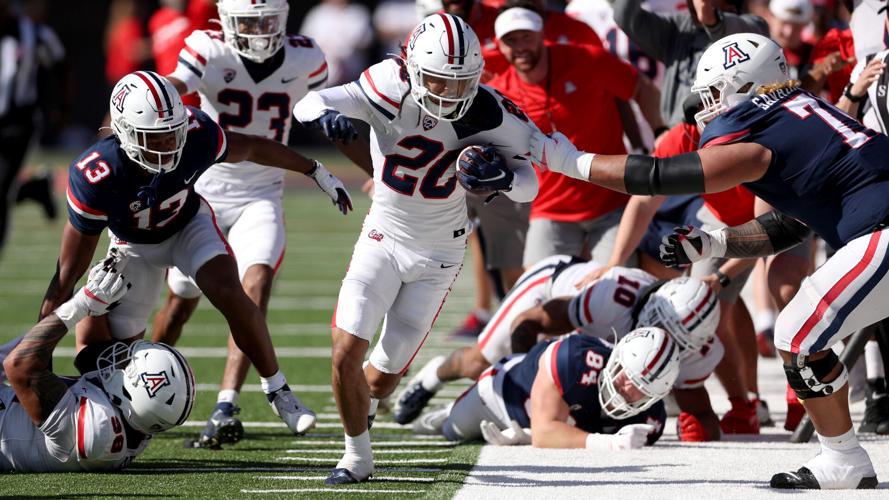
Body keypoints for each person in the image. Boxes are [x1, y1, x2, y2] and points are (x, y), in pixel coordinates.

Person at [530, 32, 884, 489]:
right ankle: (842, 457)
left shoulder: (763, 127)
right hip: (876, 226)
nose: (709, 106)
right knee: (802, 330)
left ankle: (844, 459)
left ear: (744, 83)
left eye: (716, 93)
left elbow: (658, 177)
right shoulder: (802, 114)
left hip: (883, 229)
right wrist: (715, 244)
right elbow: (792, 225)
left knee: (798, 331)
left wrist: (568, 159)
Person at [293, 13, 539, 484]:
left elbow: (529, 182)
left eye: (461, 81)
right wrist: (326, 115)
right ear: (409, 67)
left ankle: (364, 406)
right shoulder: (387, 82)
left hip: (439, 256)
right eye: (438, 81)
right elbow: (313, 100)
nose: (449, 93)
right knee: (345, 348)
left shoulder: (487, 110)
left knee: (381, 380)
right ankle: (356, 458)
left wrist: (505, 178)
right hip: (382, 237)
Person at [39, 70, 352, 441]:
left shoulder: (195, 134)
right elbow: (66, 275)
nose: (170, 144)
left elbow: (250, 147)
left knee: (228, 289)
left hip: (187, 227)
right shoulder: (96, 175)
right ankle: (129, 414)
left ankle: (278, 389)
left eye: (173, 131)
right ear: (124, 133)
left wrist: (313, 168)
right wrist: (36, 363)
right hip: (132, 247)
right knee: (110, 355)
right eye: (157, 137)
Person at [147, 0, 335, 449]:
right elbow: (177, 83)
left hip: (262, 193)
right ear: (226, 22)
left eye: (267, 20)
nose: (259, 30)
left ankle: (226, 404)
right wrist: (155, 93)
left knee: (255, 285)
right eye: (249, 21)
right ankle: (141, 382)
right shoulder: (209, 49)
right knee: (180, 303)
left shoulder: (305, 56)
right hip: (205, 191)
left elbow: (326, 106)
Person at [397, 256, 726, 441]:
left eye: (678, 342)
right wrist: (524, 374)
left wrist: (702, 427)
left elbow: (700, 413)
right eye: (662, 328)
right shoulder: (611, 299)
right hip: (551, 290)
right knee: (476, 364)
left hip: (590, 342)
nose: (664, 340)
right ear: (655, 309)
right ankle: (433, 376)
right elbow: (530, 321)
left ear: (695, 344)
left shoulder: (699, 353)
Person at [488, 7, 664, 269]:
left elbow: (640, 86)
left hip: (610, 200)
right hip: (550, 207)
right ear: (499, 47)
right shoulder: (500, 94)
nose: (520, 47)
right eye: (511, 40)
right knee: (535, 288)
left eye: (527, 37)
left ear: (542, 35)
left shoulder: (586, 59)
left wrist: (659, 133)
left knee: (617, 282)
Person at [1, 255, 195, 471]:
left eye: (126, 364)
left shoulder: (97, 428)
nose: (120, 358)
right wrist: (101, 287)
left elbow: (19, 366)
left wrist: (82, 302)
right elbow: (90, 346)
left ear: (132, 393)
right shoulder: (134, 416)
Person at [416, 328, 676, 450]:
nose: (626, 387)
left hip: (540, 420)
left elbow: (543, 433)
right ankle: (447, 407)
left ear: (655, 396)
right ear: (617, 356)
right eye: (626, 374)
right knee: (452, 431)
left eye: (641, 388)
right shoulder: (575, 359)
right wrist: (610, 443)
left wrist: (527, 436)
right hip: (501, 397)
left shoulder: (649, 419)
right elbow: (545, 433)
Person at [613, 0, 768, 126]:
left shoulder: (753, 27)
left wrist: (710, 17)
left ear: (730, 5)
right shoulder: (679, 27)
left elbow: (728, 30)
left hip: (724, 133)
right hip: (677, 137)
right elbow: (625, 17)